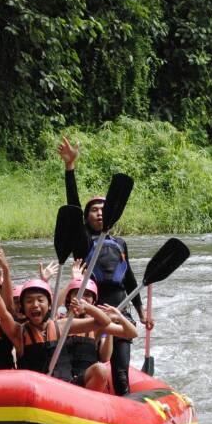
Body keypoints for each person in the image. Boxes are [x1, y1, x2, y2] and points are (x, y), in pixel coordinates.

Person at [59, 136, 151, 395]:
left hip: (120, 309)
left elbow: (130, 278)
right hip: (92, 312)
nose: (99, 212)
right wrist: (70, 168)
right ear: (87, 218)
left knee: (121, 372)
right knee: (95, 365)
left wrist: (141, 311)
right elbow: (73, 206)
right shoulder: (83, 241)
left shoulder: (119, 243)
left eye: (104, 209)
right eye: (94, 210)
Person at [0, 275, 100, 375]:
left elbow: (103, 322)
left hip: (64, 389)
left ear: (50, 305)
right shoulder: (19, 333)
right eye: (29, 301)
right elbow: (4, 314)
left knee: (100, 370)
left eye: (40, 300)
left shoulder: (62, 325)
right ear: (22, 307)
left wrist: (89, 307)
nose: (35, 305)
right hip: (33, 391)